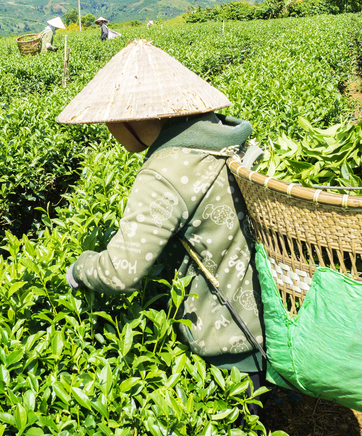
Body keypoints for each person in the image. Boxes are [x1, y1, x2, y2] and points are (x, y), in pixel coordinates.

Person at [58, 39, 268, 397]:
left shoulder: (165, 172)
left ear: (133, 119)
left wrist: (80, 268)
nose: (111, 132)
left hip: (221, 338)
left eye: (111, 122)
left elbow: (121, 272)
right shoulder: (226, 139)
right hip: (261, 319)